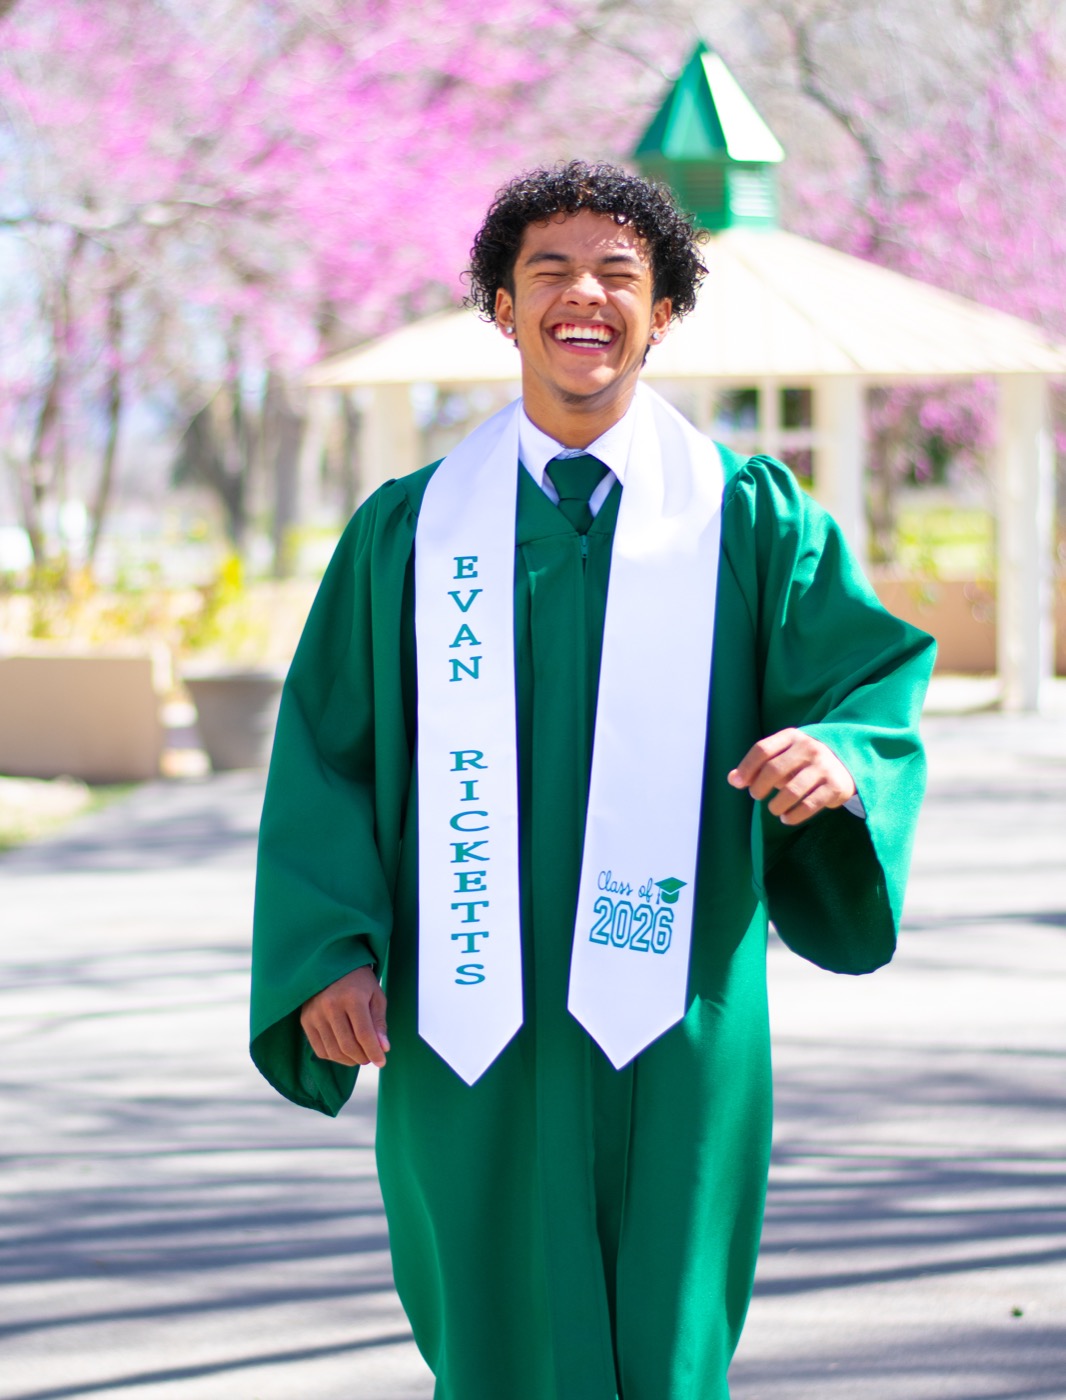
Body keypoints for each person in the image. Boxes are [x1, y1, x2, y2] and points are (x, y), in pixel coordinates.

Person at [250, 160, 935, 1400]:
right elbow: (327, 750)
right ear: (501, 308)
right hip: (466, 1004)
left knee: (670, 1319)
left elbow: (866, 680)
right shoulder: (410, 532)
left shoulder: (748, 517)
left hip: (675, 996)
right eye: (548, 271)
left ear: (661, 310)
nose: (584, 295)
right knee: (490, 1317)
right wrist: (327, 948)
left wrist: (841, 755)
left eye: (619, 273)